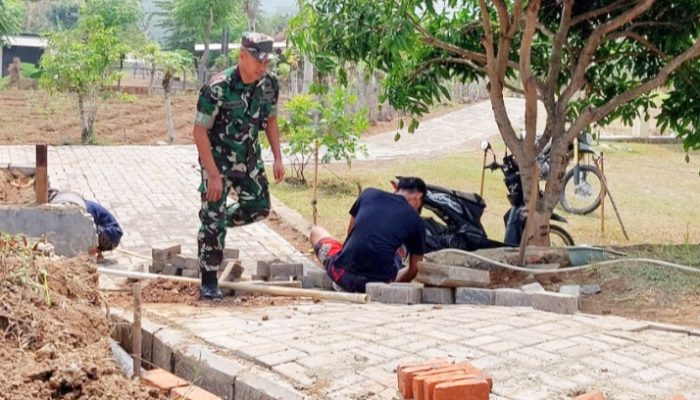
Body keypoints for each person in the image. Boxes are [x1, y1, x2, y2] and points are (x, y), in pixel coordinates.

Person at [193, 32, 285, 300]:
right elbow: (199, 132)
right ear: (242, 56)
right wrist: (212, 175)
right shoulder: (218, 87)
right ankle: (209, 281)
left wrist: (278, 157)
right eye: (258, 61)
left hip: (250, 158)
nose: (262, 67)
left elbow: (270, 120)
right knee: (213, 219)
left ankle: (214, 221)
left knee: (259, 208)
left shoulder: (269, 84)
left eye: (266, 62)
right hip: (217, 162)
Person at [309, 177, 427, 293]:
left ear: (396, 188)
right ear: (418, 197)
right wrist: (391, 288)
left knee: (316, 232)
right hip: (381, 283)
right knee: (405, 242)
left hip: (341, 276)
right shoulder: (416, 220)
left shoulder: (368, 194)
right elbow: (414, 270)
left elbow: (351, 232)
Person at [48, 189, 123, 260]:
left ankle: (93, 252)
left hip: (112, 233)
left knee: (83, 234)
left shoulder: (84, 212)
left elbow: (87, 232)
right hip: (102, 229)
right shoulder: (77, 206)